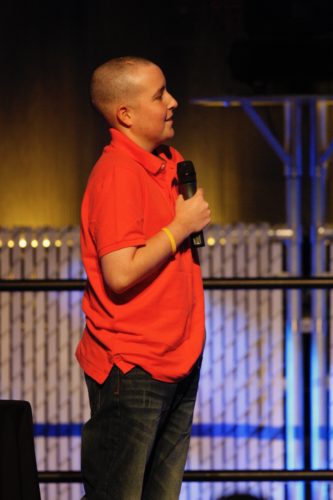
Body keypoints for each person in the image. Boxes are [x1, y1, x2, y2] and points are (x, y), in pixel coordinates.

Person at [76, 55, 211, 500]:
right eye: (159, 95)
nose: (172, 102)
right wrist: (181, 227)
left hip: (177, 360)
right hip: (133, 367)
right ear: (125, 114)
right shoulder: (117, 174)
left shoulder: (169, 163)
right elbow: (119, 273)